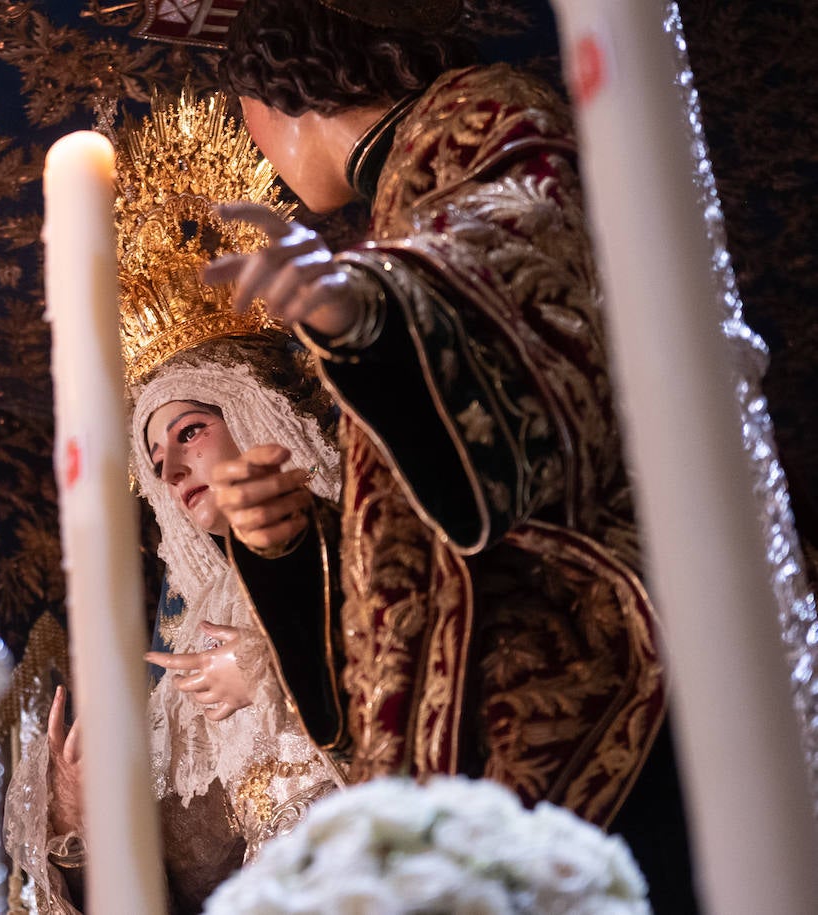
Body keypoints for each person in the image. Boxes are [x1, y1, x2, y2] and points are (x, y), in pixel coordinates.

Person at [200, 0, 697, 909]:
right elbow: (414, 557)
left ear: (264, 101)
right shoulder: (395, 210)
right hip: (478, 736)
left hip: (602, 677)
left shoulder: (482, 115)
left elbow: (518, 258)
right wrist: (286, 545)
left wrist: (377, 315)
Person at [3, 93, 348, 914]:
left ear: (259, 419)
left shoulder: (372, 546)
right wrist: (81, 823)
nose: (172, 467)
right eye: (155, 461)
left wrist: (277, 659)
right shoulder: (175, 688)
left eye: (192, 431)